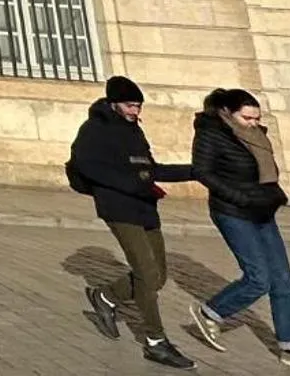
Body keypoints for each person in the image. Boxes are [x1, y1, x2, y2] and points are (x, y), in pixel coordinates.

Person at [72, 74, 198, 369]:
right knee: (145, 273)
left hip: (145, 207)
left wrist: (195, 172)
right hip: (119, 209)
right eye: (130, 106)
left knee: (158, 276)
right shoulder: (94, 129)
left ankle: (105, 296)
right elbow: (86, 167)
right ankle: (155, 341)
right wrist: (130, 183)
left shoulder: (134, 131)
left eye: (138, 106)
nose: (135, 111)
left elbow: (151, 170)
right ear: (114, 103)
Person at [188, 87, 290, 364]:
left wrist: (273, 196)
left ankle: (288, 343)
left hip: (262, 210)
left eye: (257, 118)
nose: (254, 124)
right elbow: (202, 171)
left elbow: (266, 173)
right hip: (232, 211)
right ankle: (211, 312)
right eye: (247, 118)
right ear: (227, 113)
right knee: (259, 278)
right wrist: (240, 198)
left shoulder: (258, 136)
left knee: (283, 279)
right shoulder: (211, 133)